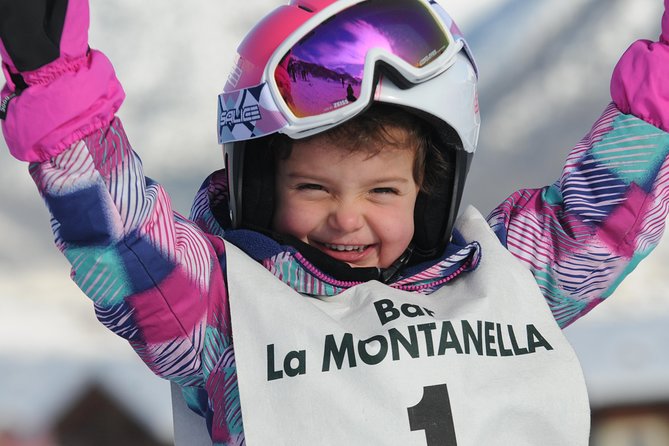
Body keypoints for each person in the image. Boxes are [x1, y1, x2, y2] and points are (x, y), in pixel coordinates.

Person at [1, 0, 668, 445]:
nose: (346, 217)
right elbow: (126, 249)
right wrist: (61, 101)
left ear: (428, 194)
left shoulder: (506, 279)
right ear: (260, 188)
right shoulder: (222, 317)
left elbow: (599, 218)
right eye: (313, 187)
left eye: (382, 189)